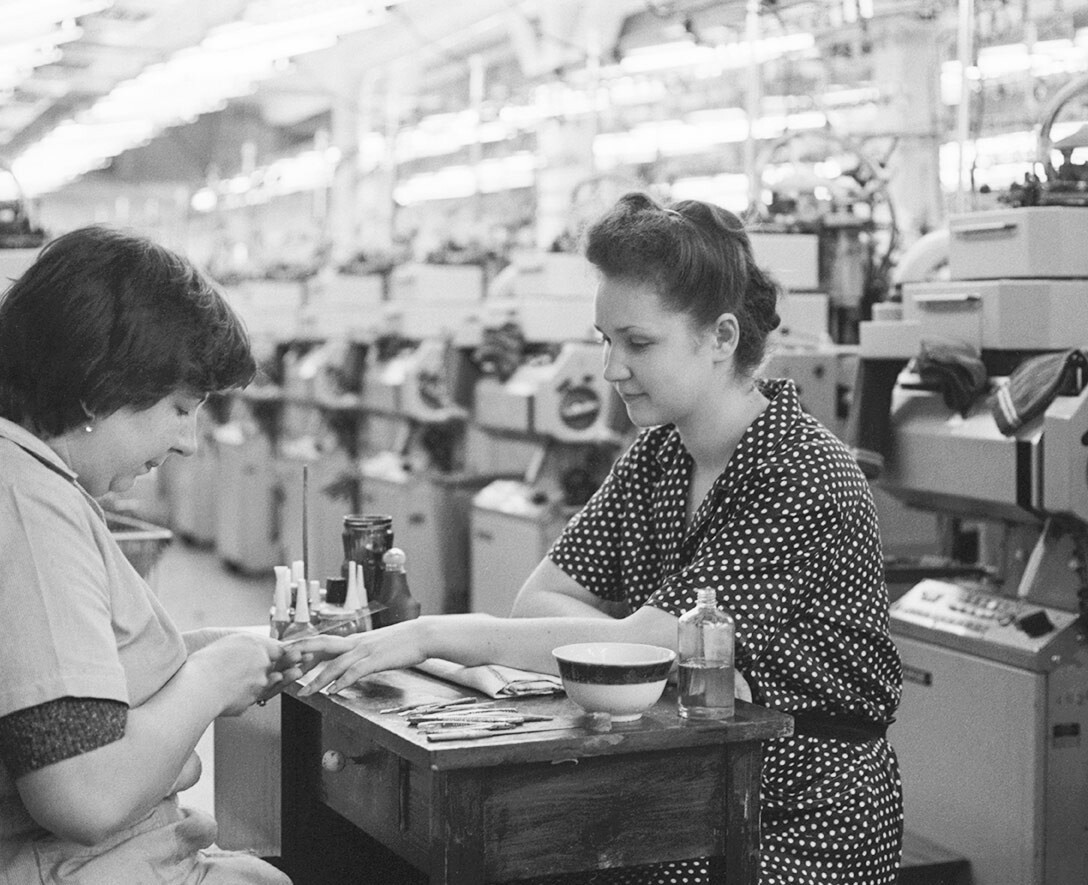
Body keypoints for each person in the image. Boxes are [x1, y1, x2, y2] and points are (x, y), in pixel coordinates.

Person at [297, 193, 904, 884]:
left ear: (723, 337)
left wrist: (433, 633)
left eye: (638, 343)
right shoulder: (660, 455)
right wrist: (644, 649)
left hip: (800, 816)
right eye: (604, 340)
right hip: (679, 784)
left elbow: (648, 640)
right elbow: (541, 599)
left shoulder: (798, 475)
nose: (612, 368)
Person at [0, 226, 304, 885]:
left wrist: (193, 653)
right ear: (99, 387)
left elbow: (46, 667)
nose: (190, 441)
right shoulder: (13, 505)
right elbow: (85, 791)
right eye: (179, 407)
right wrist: (207, 682)